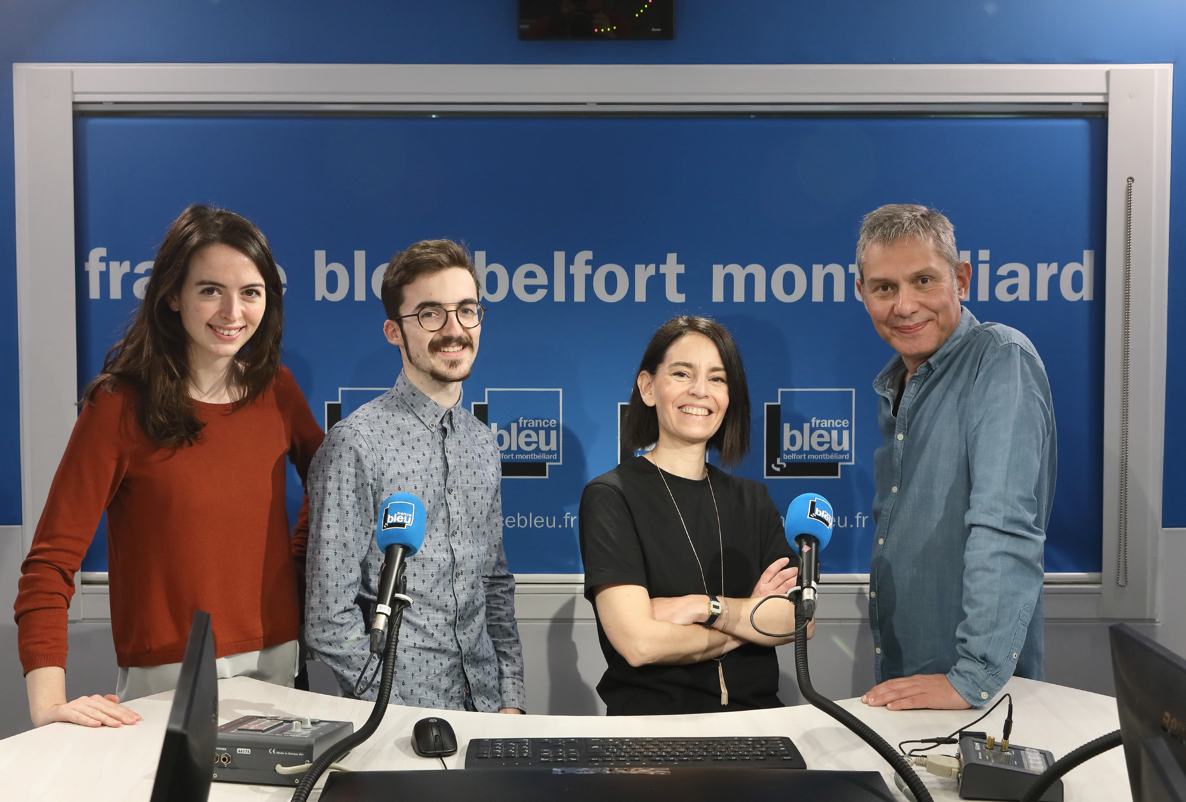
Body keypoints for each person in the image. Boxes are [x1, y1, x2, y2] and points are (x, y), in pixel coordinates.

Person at [15, 205, 324, 728]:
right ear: (172, 296)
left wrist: (293, 569)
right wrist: (48, 705)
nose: (232, 311)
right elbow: (49, 564)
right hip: (166, 682)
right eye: (210, 290)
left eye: (250, 292)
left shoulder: (279, 391)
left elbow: (334, 490)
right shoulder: (116, 406)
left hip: (279, 667)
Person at [304, 239, 525, 713]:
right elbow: (328, 618)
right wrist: (392, 710)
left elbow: (495, 585)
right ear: (393, 331)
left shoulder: (484, 444)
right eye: (430, 314)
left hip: (487, 711)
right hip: (396, 721)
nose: (454, 329)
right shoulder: (355, 443)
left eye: (467, 310)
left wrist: (511, 699)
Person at [853, 204, 1056, 712]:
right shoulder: (895, 385)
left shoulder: (1000, 358)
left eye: (923, 280)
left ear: (961, 279)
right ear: (861, 294)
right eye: (884, 288)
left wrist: (974, 677)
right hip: (912, 684)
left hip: (973, 697)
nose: (904, 305)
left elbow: (1004, 526)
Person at [579, 316, 810, 716]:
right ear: (648, 388)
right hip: (653, 732)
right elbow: (640, 644)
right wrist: (749, 621)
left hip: (757, 723)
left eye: (718, 379)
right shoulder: (611, 496)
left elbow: (798, 620)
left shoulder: (753, 500)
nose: (700, 391)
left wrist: (705, 608)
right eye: (682, 373)